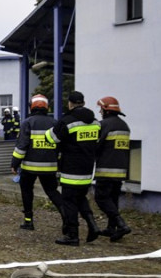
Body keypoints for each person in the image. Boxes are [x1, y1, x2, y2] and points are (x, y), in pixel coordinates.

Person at [45, 90, 101, 246]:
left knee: (68, 200)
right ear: (82, 103)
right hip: (88, 168)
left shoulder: (68, 121)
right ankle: (93, 225)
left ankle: (72, 235)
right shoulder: (95, 122)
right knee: (81, 197)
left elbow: (52, 138)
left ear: (70, 103)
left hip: (71, 168)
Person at [10, 94, 63, 231]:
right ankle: (67, 219)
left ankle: (28, 221)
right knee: (52, 192)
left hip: (29, 167)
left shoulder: (28, 122)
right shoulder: (55, 123)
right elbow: (60, 146)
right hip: (50, 167)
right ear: (47, 107)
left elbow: (21, 146)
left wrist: (14, 164)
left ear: (31, 107)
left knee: (27, 191)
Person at [94, 96, 132, 241]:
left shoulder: (104, 125)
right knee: (113, 198)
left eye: (101, 109)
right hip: (121, 170)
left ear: (106, 110)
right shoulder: (124, 126)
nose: (100, 112)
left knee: (101, 198)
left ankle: (121, 224)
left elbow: (97, 145)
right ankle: (111, 228)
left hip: (106, 169)